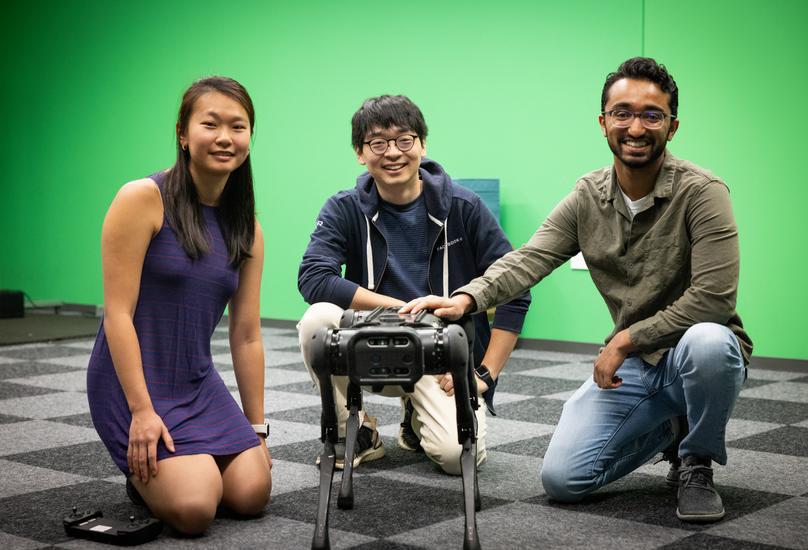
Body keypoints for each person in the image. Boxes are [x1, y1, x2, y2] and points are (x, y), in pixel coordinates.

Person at [402, 57, 752, 522]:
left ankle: (697, 462)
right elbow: (531, 257)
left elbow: (713, 298)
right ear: (603, 121)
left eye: (652, 115)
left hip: (689, 353)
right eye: (623, 112)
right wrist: (467, 297)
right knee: (563, 481)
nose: (636, 126)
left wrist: (624, 341)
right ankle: (672, 429)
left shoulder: (703, 192)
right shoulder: (588, 195)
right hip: (637, 369)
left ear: (672, 127)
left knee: (710, 341)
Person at [297, 95, 531, 475]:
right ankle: (355, 433)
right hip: (371, 344)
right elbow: (313, 278)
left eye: (404, 140)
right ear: (360, 152)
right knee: (316, 320)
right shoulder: (344, 208)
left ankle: (414, 418)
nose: (393, 153)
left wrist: (485, 375)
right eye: (378, 143)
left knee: (458, 458)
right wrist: (403, 310)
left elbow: (515, 289)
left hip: (440, 355)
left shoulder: (464, 207)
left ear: (422, 145)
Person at [87, 76, 272, 535]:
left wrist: (257, 427)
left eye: (238, 126)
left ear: (250, 137)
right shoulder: (142, 199)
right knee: (194, 509)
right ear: (183, 134)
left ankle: (188, 463)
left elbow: (246, 333)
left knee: (252, 493)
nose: (225, 137)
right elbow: (118, 315)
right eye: (210, 124)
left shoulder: (247, 227)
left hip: (194, 379)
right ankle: (157, 475)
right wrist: (143, 413)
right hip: (132, 381)